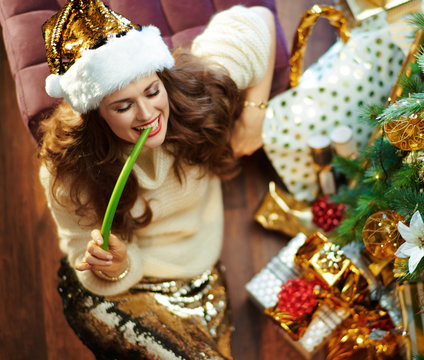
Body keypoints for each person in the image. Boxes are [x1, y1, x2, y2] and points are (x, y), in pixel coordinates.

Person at [38, 0, 276, 358]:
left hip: (198, 274)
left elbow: (260, 20)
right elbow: (78, 253)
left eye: (152, 92)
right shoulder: (69, 169)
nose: (148, 114)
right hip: (120, 292)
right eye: (123, 106)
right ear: (96, 115)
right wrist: (117, 267)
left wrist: (255, 116)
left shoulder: (197, 95)